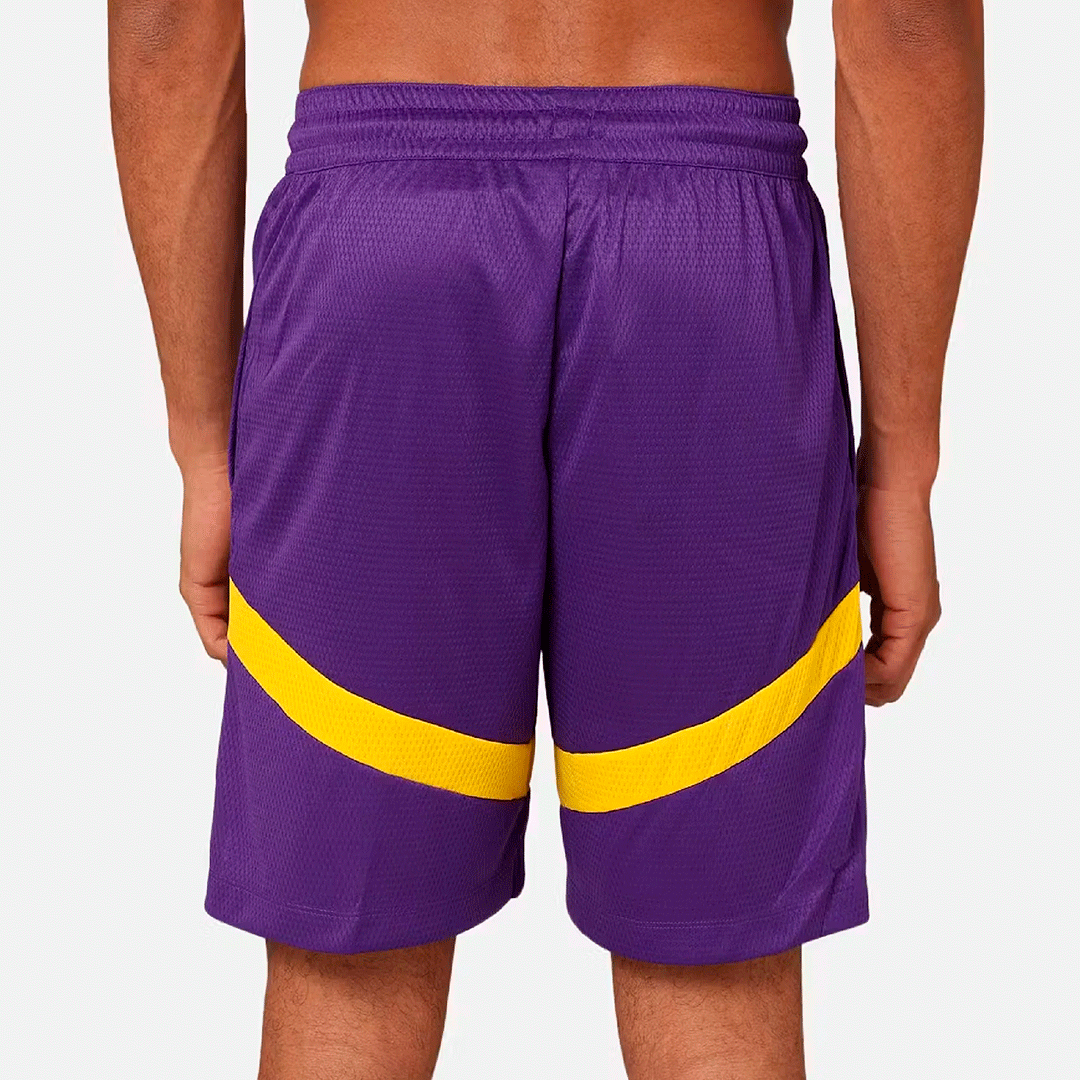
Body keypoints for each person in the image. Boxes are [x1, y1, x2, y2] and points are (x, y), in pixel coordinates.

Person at [108, 0, 982, 1074]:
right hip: (707, 248)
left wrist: (205, 442)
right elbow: (907, 22)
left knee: (350, 966)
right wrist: (901, 459)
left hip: (380, 244)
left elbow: (165, 22)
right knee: (716, 968)